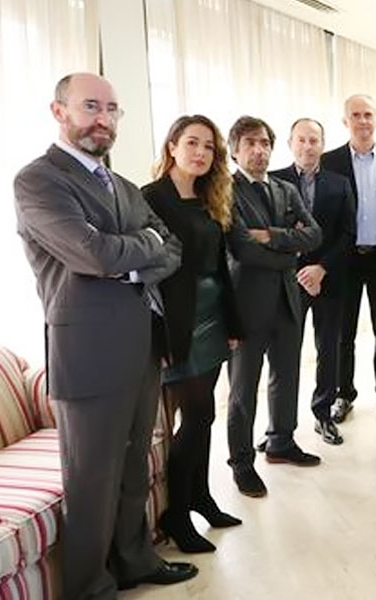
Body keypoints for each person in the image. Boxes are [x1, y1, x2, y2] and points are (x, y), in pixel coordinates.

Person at [14, 72, 196, 597]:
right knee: (91, 478)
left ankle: (135, 559)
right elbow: (90, 254)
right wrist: (136, 250)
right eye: (90, 106)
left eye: (112, 109)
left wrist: (129, 259)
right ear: (59, 111)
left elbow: (173, 248)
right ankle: (90, 586)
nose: (104, 119)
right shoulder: (38, 180)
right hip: (88, 353)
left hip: (142, 344)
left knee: (135, 461)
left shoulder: (123, 186)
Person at [142, 115, 245, 553]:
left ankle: (201, 497)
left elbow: (220, 267)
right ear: (171, 146)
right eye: (192, 143)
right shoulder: (149, 198)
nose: (200, 152)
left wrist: (234, 324)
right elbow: (145, 277)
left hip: (213, 317)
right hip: (177, 324)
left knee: (205, 415)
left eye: (208, 146)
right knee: (198, 414)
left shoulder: (208, 197)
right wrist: (158, 336)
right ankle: (176, 513)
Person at [224, 115, 322, 497]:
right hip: (247, 304)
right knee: (242, 389)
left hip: (287, 300)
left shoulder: (285, 189)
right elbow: (242, 249)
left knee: (288, 374)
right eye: (250, 143)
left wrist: (272, 236)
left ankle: (281, 441)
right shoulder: (226, 191)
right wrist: (289, 250)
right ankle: (242, 463)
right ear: (234, 150)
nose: (259, 150)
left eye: (264, 142)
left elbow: (314, 234)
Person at [322, 94, 376, 422]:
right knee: (343, 332)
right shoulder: (329, 163)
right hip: (343, 260)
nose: (362, 121)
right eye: (355, 115)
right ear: (345, 121)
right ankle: (343, 394)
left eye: (367, 114)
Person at [271, 118, 356, 446]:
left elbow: (349, 233)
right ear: (291, 144)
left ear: (322, 144)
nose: (308, 146)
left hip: (329, 280)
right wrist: (297, 271)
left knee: (328, 349)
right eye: (302, 140)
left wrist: (321, 269)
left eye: (314, 140)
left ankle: (323, 415)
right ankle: (280, 427)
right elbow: (267, 235)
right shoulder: (273, 182)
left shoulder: (340, 183)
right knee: (285, 354)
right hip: (286, 281)